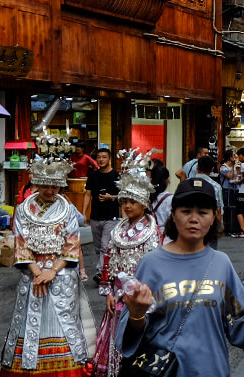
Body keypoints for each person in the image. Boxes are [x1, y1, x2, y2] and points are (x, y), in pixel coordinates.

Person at [118, 176, 244, 377]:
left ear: (214, 217)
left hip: (211, 370)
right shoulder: (151, 263)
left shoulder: (221, 263)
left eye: (203, 212)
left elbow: (238, 325)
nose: (193, 219)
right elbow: (129, 333)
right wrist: (136, 314)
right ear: (173, 215)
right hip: (165, 371)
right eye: (186, 211)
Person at [0, 127, 92, 377]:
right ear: (36, 183)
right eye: (45, 185)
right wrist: (36, 272)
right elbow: (21, 243)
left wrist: (52, 271)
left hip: (61, 274)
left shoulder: (68, 209)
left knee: (64, 322)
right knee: (29, 320)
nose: (50, 191)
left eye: (55, 186)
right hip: (32, 274)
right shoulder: (22, 209)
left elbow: (71, 244)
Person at [94, 149, 161, 377]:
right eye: (124, 201)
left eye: (133, 201)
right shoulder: (118, 229)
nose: (128, 206)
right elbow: (109, 260)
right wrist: (110, 292)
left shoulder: (153, 231)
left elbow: (156, 266)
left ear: (144, 203)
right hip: (118, 295)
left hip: (140, 297)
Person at [85, 146, 121, 264]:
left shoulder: (117, 176)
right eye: (99, 157)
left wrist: (111, 197)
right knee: (97, 246)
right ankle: (103, 269)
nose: (101, 160)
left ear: (109, 159)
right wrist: (84, 212)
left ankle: (100, 273)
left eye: (104, 157)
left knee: (105, 246)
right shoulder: (93, 176)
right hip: (95, 216)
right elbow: (87, 194)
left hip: (111, 217)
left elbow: (123, 196)